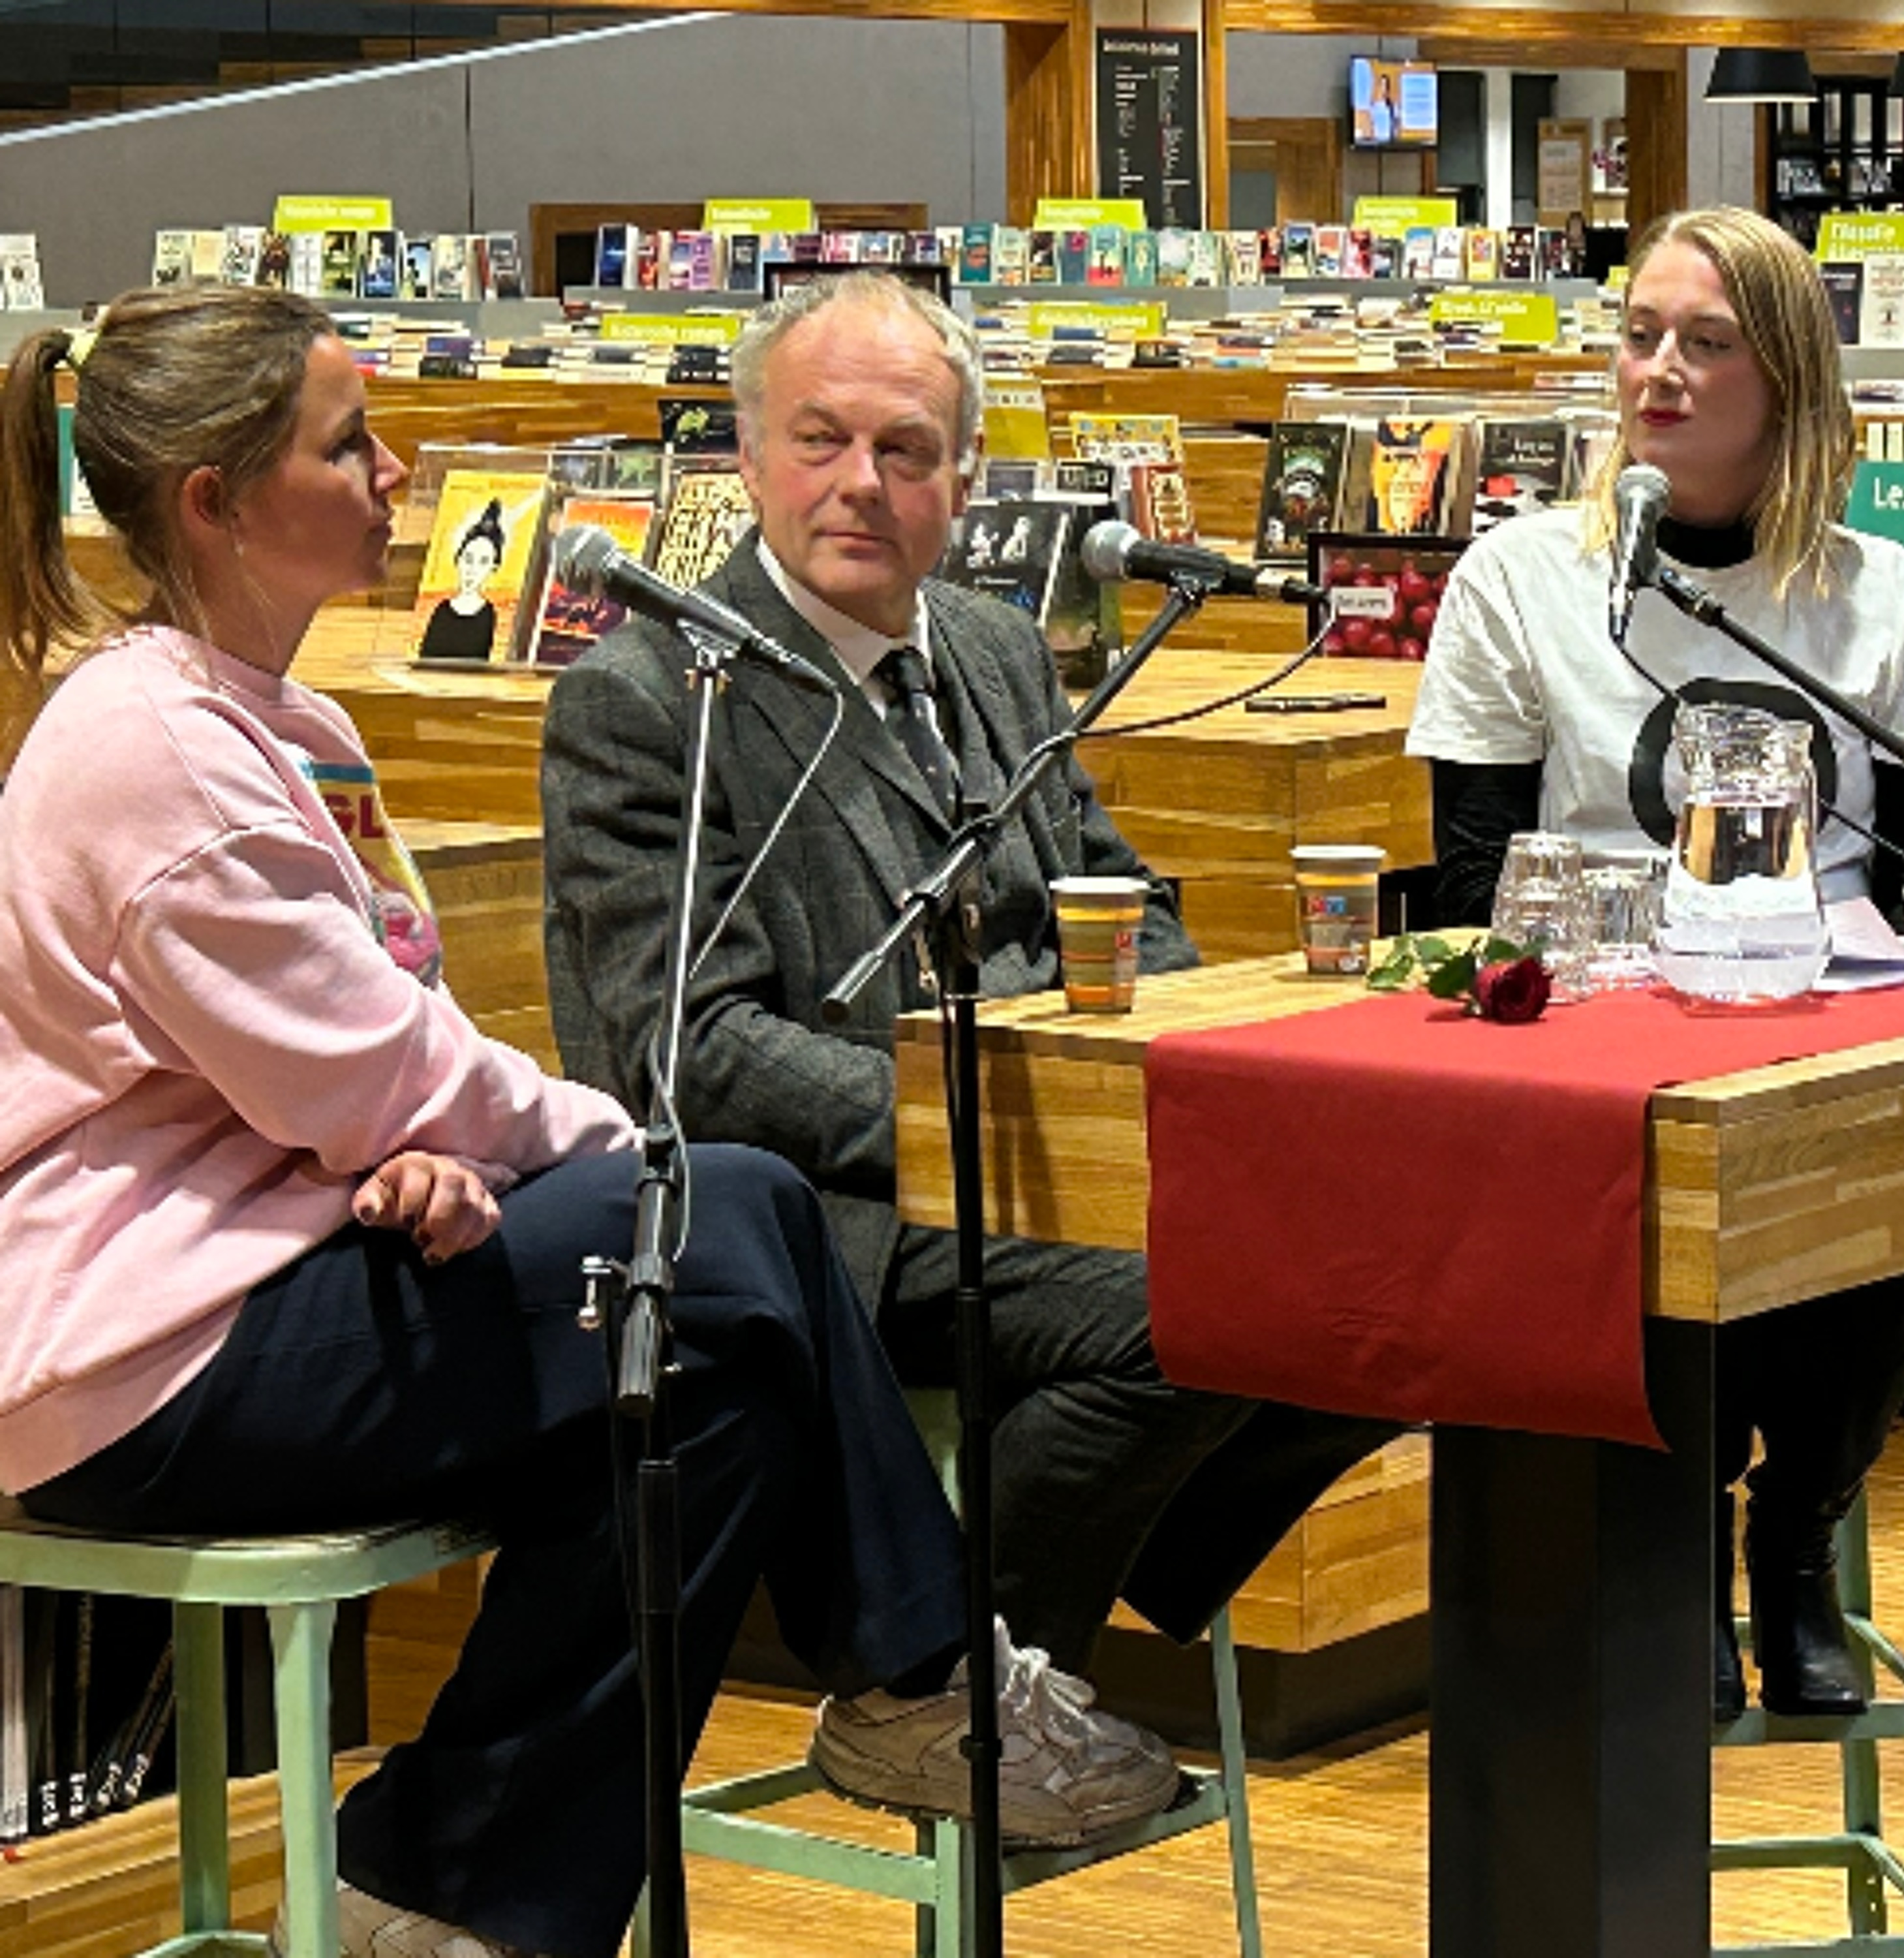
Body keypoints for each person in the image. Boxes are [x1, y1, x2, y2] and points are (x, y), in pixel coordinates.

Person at [0, 285, 1179, 1958]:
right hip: (143, 1359)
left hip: (295, 1260)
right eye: (349, 443)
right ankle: (928, 1680)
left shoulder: (285, 725)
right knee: (728, 1208)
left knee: (713, 1403)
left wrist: (422, 1141)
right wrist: (557, 1136)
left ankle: (440, 1895)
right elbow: (372, 1067)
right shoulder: (148, 754)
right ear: (217, 497)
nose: (397, 470)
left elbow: (354, 1050)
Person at [542, 271, 1398, 1777]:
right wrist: (973, 1131)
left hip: (1048, 1164)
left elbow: (1115, 903)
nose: (860, 484)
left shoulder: (997, 653)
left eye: (907, 450)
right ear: (744, 459)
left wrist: (1169, 1074)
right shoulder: (648, 696)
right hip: (834, 1217)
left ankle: (1007, 1638)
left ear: (964, 478)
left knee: (1379, 1253)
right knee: (1186, 1313)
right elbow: (686, 1048)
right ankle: (949, 1689)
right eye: (818, 441)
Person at [1405, 206, 1904, 1721]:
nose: (1657, 367)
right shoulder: (1518, 576)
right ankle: (1678, 1543)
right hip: (1601, 1032)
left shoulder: (1884, 599)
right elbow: (1469, 871)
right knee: (1639, 1194)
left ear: (1785, 376)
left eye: (1703, 342)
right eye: (1639, 333)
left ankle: (1798, 1527)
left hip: (1822, 1025)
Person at [416, 499, 503, 662]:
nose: (472, 570)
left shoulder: (489, 614)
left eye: (483, 562)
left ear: (493, 568)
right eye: (468, 559)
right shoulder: (441, 610)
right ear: (458, 559)